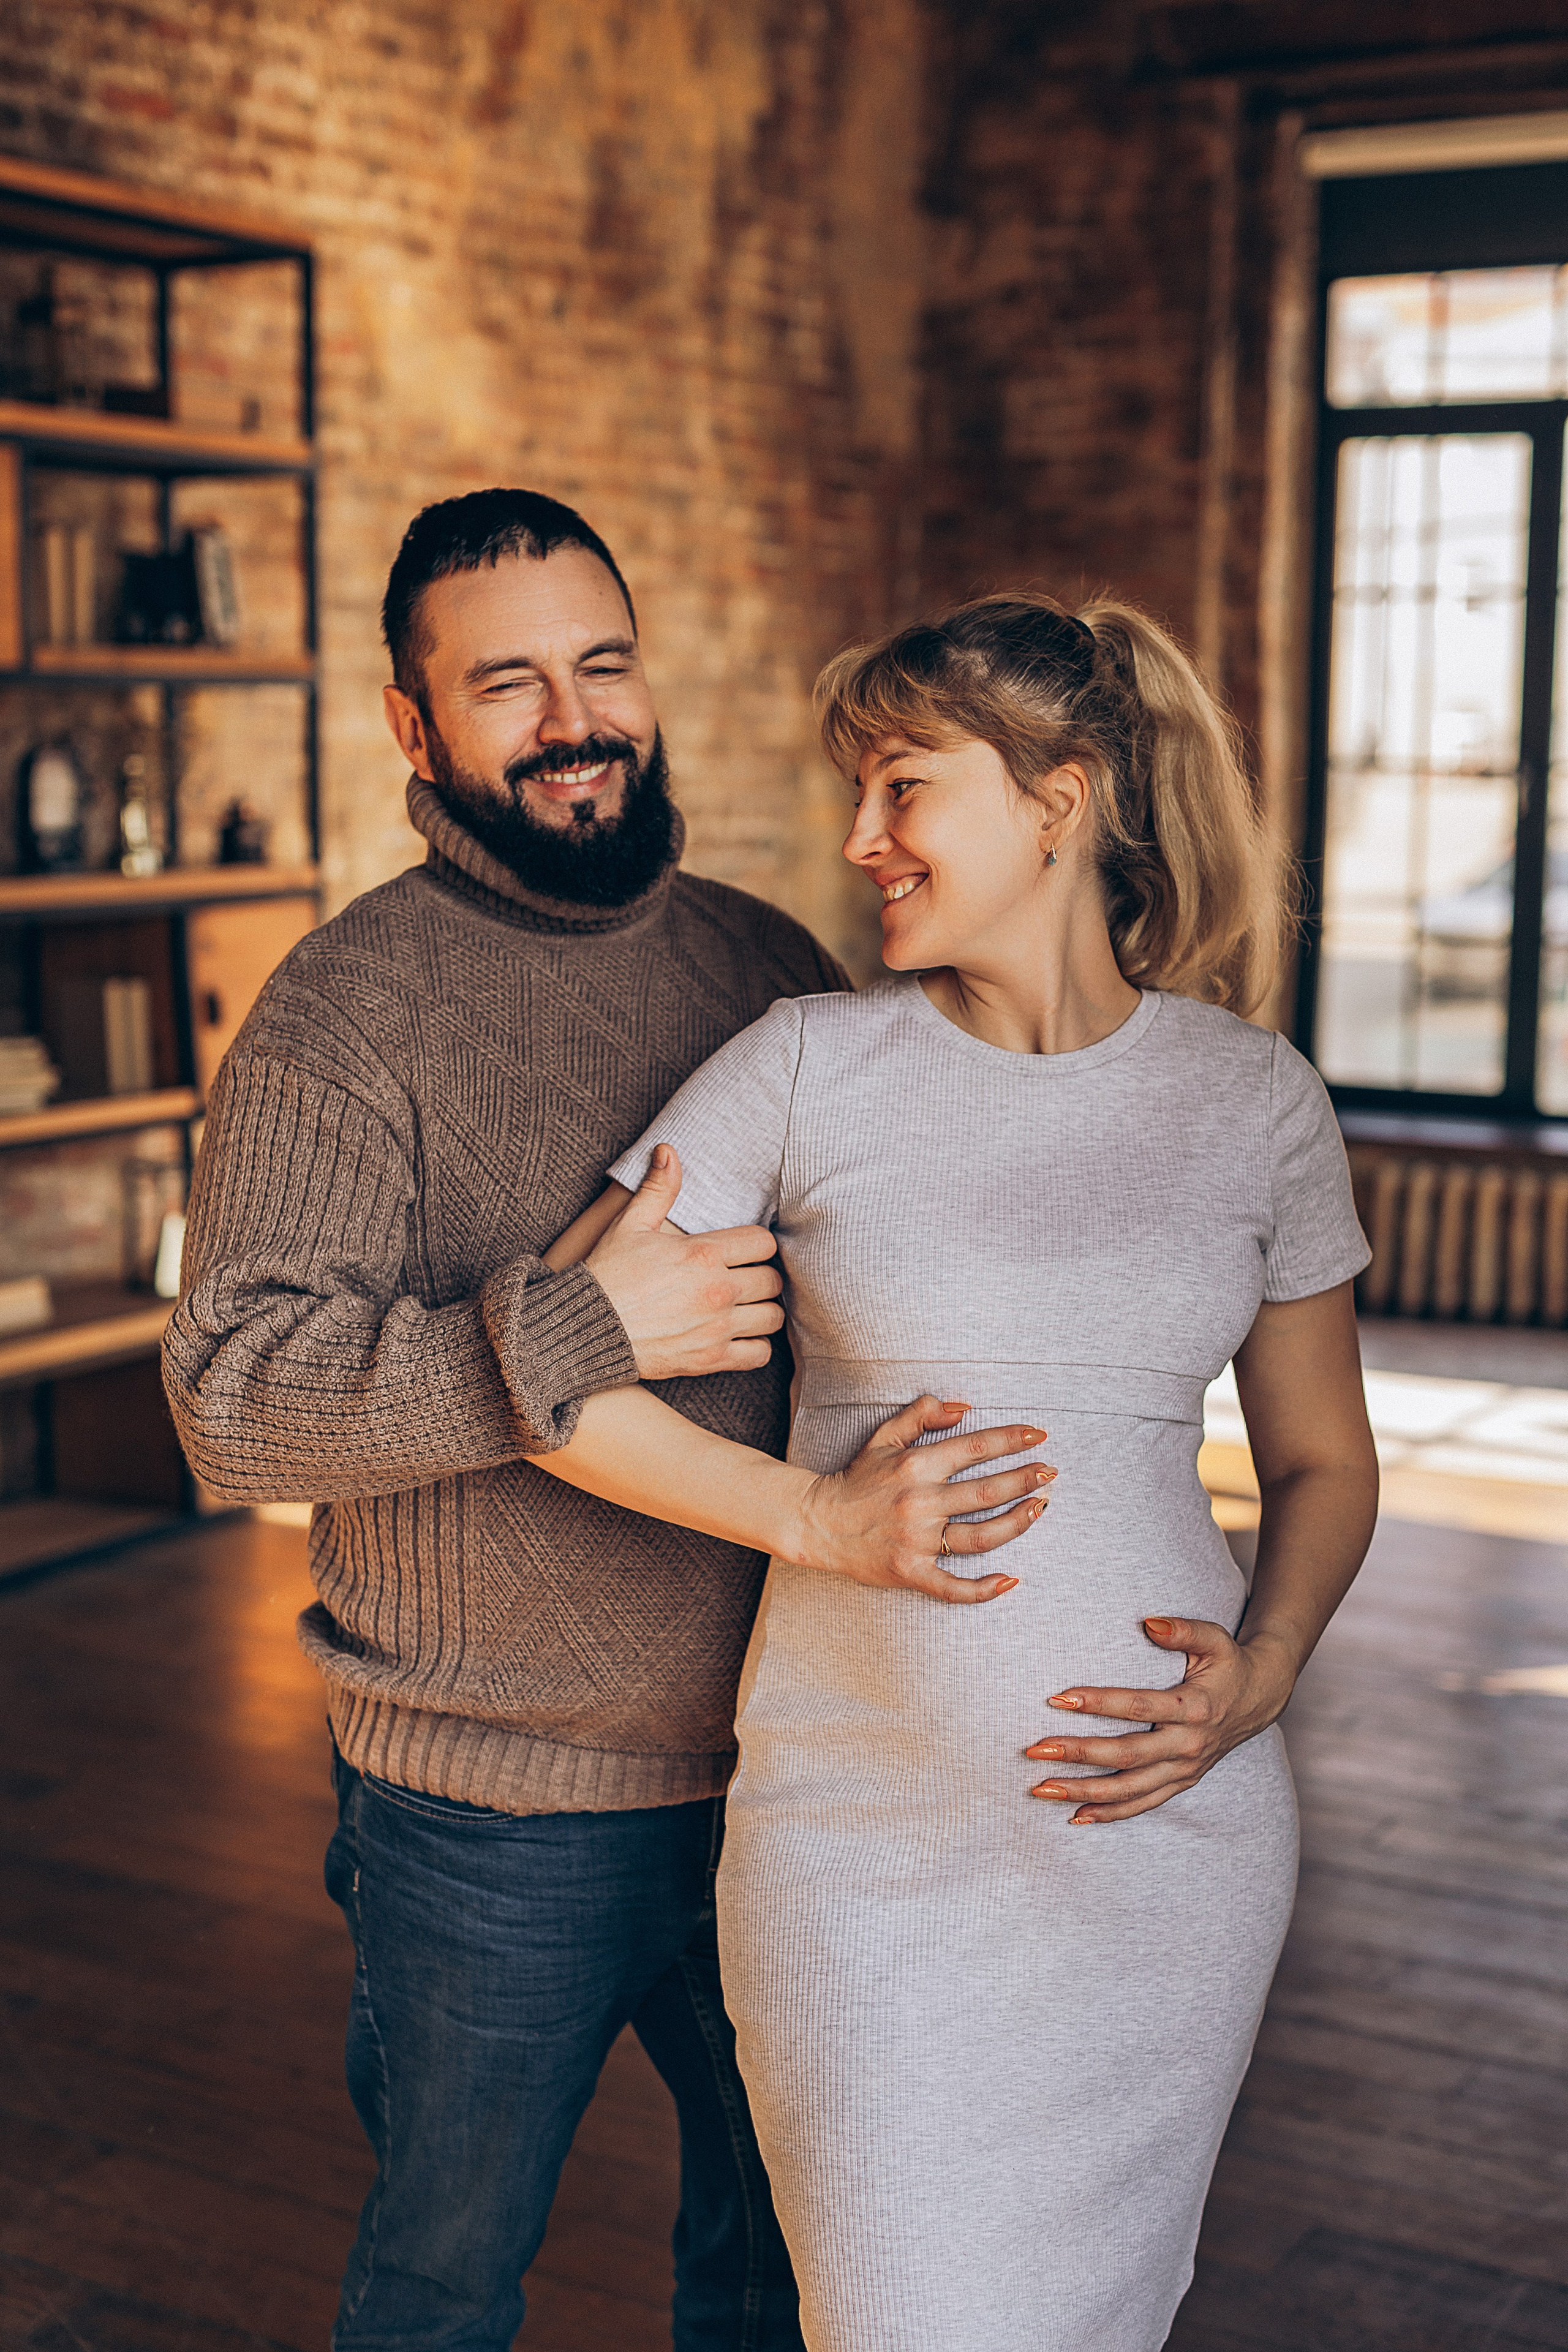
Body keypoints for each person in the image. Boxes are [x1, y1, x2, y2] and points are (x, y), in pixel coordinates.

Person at [162, 491, 1039, 2352]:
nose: (575, 719)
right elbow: (234, 1408)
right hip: (490, 1809)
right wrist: (576, 1331)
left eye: (602, 663)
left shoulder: (774, 967)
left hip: (798, 1770)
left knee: (779, 2264)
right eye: (507, 684)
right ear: (416, 729)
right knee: (443, 2288)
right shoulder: (342, 1016)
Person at [524, 592, 1381, 2352]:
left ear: (1056, 802)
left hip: (1170, 1855)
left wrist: (1267, 1675)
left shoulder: (1256, 1103)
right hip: (863, 1850)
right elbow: (558, 1382)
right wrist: (819, 1518)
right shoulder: (807, 1067)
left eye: (903, 788)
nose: (861, 842)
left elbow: (1322, 1462)